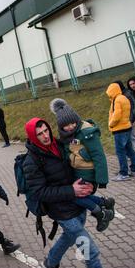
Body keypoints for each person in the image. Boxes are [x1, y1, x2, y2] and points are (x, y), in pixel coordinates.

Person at [22, 117, 103, 268]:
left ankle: (50, 263)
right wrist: (71, 190)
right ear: (33, 136)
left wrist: (89, 182)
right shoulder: (31, 161)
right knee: (90, 253)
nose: (45, 136)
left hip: (79, 204)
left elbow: (78, 164)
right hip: (63, 213)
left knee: (68, 237)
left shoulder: (60, 144)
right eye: (40, 134)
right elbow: (40, 192)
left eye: (46, 130)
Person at [50, 98, 115, 232]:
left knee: (74, 195)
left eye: (72, 123)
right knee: (77, 194)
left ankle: (101, 213)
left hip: (88, 171)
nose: (70, 127)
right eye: (65, 125)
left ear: (76, 119)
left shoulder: (86, 132)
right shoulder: (67, 135)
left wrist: (101, 180)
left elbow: (99, 155)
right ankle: (105, 203)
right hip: (77, 171)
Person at [106, 83, 135, 181]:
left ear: (112, 91)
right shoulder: (124, 98)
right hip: (127, 127)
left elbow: (117, 115)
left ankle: (124, 173)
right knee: (129, 149)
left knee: (120, 152)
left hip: (119, 129)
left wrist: (111, 124)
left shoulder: (117, 100)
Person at [114, 81, 135, 162]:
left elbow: (133, 106)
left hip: (130, 119)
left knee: (133, 136)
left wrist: (131, 119)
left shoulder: (127, 94)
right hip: (123, 121)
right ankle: (131, 154)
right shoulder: (119, 95)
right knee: (127, 138)